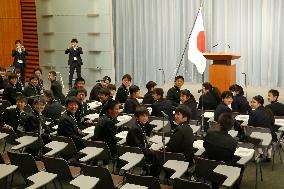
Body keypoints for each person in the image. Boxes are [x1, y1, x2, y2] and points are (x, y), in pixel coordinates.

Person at [204, 113, 238, 189]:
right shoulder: (233, 142)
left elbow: (205, 146)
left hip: (206, 168)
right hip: (223, 172)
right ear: (231, 127)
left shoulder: (209, 134)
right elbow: (230, 156)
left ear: (219, 123)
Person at [126, 106, 161, 177]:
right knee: (157, 157)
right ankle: (152, 177)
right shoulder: (135, 129)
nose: (145, 118)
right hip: (135, 152)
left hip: (141, 148)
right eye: (142, 116)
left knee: (157, 153)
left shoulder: (141, 124)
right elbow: (139, 146)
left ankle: (148, 172)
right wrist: (150, 151)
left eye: (146, 116)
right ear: (137, 117)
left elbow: (149, 129)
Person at [248, 95, 277, 160]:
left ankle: (259, 153)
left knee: (252, 134)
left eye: (254, 102)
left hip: (257, 137)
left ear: (259, 103)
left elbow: (250, 126)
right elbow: (272, 123)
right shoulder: (269, 111)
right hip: (270, 137)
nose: (251, 104)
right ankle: (268, 154)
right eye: (251, 102)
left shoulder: (253, 113)